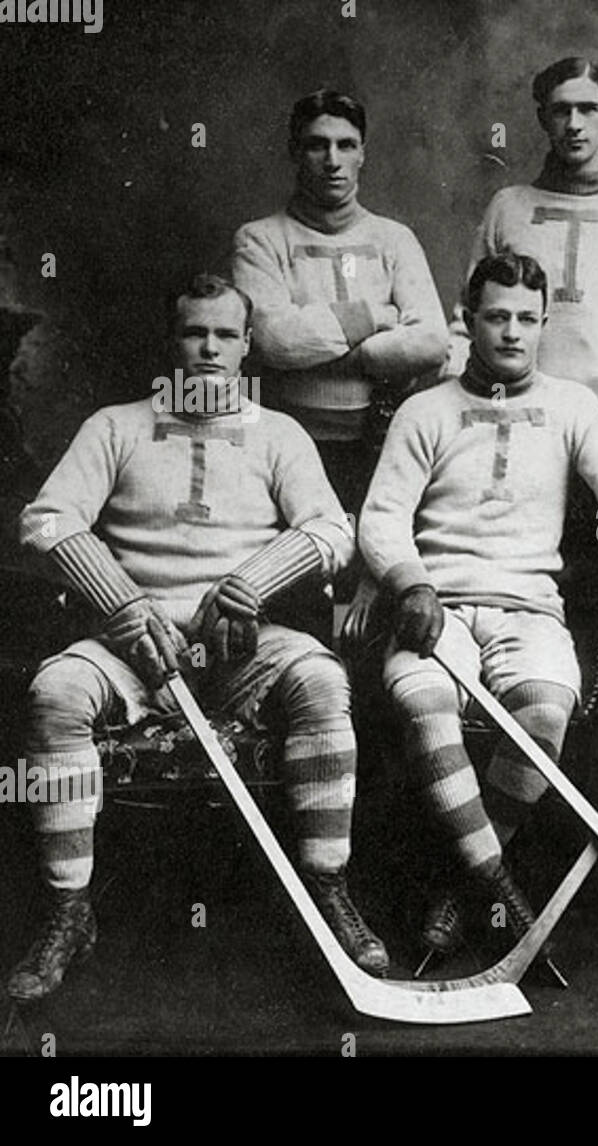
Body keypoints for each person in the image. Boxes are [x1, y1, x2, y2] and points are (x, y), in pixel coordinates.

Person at [7, 274, 389, 1002]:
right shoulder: (116, 426)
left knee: (321, 679)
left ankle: (328, 887)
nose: (208, 348)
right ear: (171, 342)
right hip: (131, 652)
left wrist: (257, 579)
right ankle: (66, 911)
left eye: (224, 335)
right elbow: (46, 520)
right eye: (194, 333)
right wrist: (121, 602)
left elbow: (333, 529)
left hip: (244, 651)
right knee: (56, 690)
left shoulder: (279, 434)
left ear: (247, 347)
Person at [356, 253, 598, 965]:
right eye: (496, 317)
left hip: (529, 608)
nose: (511, 333)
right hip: (438, 606)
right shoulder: (425, 410)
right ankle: (497, 888)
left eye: (527, 320)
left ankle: (464, 882)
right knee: (425, 699)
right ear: (469, 322)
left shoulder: (571, 407)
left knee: (545, 708)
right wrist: (411, 583)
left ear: (543, 325)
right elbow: (380, 518)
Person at [232, 89, 448, 516]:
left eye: (346, 145)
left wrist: (334, 350)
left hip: (382, 440)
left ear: (362, 154)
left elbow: (432, 344)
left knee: (372, 561)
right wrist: (377, 317)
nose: (332, 160)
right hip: (286, 440)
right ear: (296, 152)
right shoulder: (259, 239)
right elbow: (274, 341)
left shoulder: (395, 239)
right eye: (317, 145)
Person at [444, 57, 598, 448]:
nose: (574, 124)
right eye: (561, 111)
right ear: (543, 118)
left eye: (587, 109)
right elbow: (467, 315)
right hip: (518, 416)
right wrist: (453, 396)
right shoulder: (508, 209)